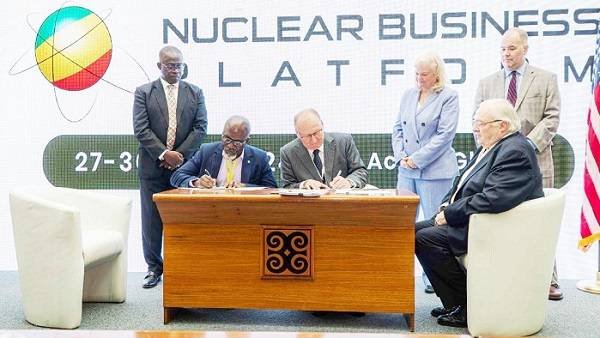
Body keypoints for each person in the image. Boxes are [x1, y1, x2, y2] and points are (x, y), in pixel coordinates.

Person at [415, 99, 544, 328]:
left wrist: (450, 214)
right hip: (473, 219)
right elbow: (460, 184)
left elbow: (493, 198)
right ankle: (452, 301)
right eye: (475, 122)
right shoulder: (492, 145)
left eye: (480, 123)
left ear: (502, 126)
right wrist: (446, 207)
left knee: (424, 238)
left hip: (494, 227)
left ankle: (468, 306)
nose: (475, 128)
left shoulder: (516, 151)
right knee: (410, 231)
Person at [474, 27, 562, 301]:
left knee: (540, 224)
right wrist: (497, 151)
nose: (506, 54)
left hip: (536, 162)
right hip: (496, 167)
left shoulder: (546, 79)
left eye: (511, 48)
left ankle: (549, 279)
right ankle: (505, 279)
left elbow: (552, 118)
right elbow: (477, 122)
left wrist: (522, 146)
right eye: (502, 49)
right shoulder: (487, 83)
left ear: (525, 49)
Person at [133, 45, 207, 289]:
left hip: (183, 169)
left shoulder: (195, 92)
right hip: (152, 167)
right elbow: (141, 129)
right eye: (170, 65)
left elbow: (200, 128)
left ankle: (183, 267)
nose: (175, 70)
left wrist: (179, 156)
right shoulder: (144, 92)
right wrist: (164, 154)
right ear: (159, 66)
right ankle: (154, 269)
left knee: (184, 219)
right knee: (152, 220)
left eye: (179, 65)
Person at [392, 51, 459, 294]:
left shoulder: (449, 96)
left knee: (433, 227)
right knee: (402, 224)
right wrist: (402, 157)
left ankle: (434, 277)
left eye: (425, 74)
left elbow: (445, 136)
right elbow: (397, 128)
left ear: (436, 74)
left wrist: (416, 159)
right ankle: (400, 272)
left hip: (435, 171)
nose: (419, 78)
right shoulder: (408, 95)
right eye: (416, 74)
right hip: (406, 171)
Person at [170, 115, 277, 189]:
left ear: (246, 141)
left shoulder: (259, 157)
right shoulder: (206, 151)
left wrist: (245, 186)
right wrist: (197, 182)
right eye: (227, 139)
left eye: (237, 143)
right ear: (222, 135)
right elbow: (176, 176)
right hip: (210, 209)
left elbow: (272, 188)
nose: (230, 145)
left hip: (245, 210)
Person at [280, 108, 368, 189]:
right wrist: (304, 185)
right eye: (307, 136)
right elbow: (287, 186)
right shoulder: (288, 152)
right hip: (309, 204)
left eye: (316, 132)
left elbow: (360, 171)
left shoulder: (344, 141)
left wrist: (349, 182)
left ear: (322, 125)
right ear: (298, 134)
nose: (314, 140)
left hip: (342, 202)